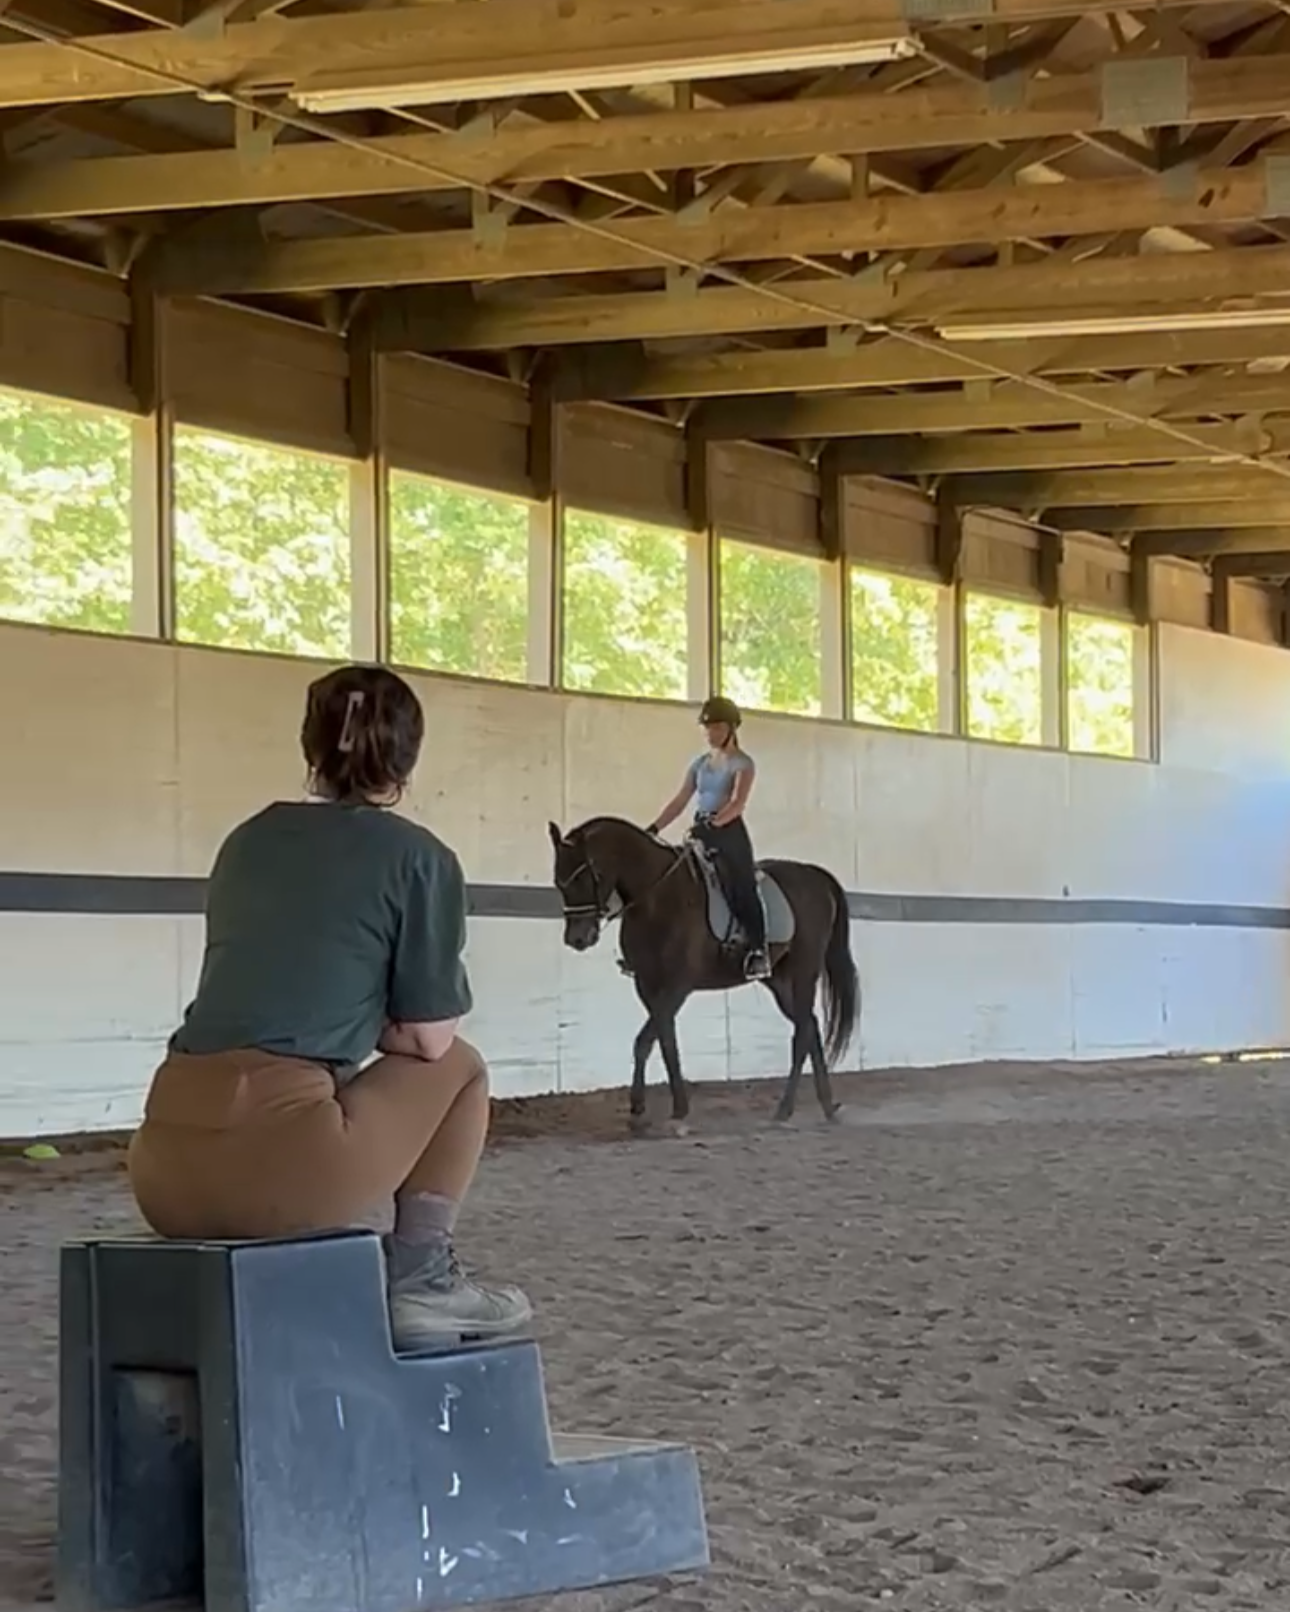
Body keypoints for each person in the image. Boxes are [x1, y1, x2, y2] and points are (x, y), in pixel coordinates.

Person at [126, 663, 531, 1354]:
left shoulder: (245, 842)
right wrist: (370, 1015)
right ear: (407, 759)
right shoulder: (419, 859)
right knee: (464, 1068)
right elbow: (432, 1039)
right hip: (281, 1168)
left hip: (162, 1165)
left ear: (310, 748)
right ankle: (422, 1279)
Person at [647, 695, 770, 981]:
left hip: (728, 831)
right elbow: (680, 800)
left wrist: (714, 825)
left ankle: (758, 949)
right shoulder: (700, 763)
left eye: (716, 728)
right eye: (707, 728)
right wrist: (654, 828)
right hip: (700, 829)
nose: (710, 733)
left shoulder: (743, 763)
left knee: (741, 885)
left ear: (731, 729)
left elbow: (737, 803)